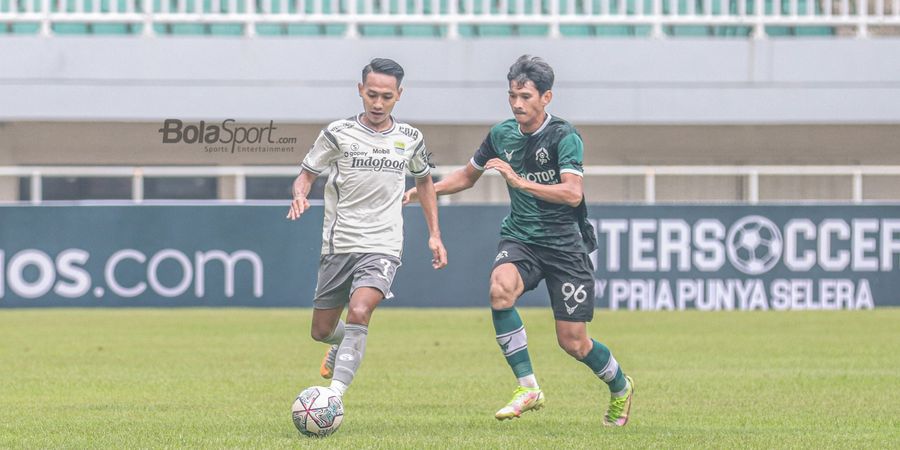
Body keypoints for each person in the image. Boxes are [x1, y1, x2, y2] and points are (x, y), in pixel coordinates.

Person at [404, 55, 634, 426]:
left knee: (573, 343)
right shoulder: (500, 135)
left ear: (547, 97)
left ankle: (621, 387)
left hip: (564, 246)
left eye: (525, 96)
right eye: (512, 95)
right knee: (499, 290)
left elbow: (573, 194)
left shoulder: (564, 136)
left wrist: (521, 181)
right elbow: (466, 177)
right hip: (521, 238)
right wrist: (424, 191)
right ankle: (528, 387)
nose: (517, 104)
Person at [287, 58, 448, 398]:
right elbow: (306, 174)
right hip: (339, 242)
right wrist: (300, 195)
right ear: (360, 90)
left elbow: (424, 182)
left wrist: (434, 234)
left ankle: (333, 396)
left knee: (360, 309)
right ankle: (343, 343)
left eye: (386, 97)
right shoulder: (337, 134)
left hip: (383, 243)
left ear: (399, 95)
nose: (378, 103)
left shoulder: (410, 138)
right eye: (372, 94)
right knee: (321, 330)